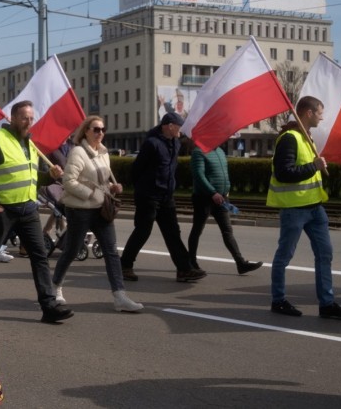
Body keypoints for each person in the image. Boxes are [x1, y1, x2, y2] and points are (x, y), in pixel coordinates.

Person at [0, 100, 74, 324]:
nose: (29, 122)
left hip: (28, 209)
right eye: (24, 118)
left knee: (40, 257)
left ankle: (49, 307)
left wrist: (51, 176)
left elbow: (29, 177)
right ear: (13, 118)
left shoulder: (30, 142)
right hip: (3, 211)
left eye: (31, 118)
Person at [268, 96, 341, 319]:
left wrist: (314, 166)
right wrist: (313, 166)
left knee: (325, 254)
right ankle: (278, 301)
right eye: (319, 112)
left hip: (315, 207)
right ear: (308, 113)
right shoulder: (290, 138)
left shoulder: (307, 138)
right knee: (284, 256)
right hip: (295, 209)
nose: (322, 117)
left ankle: (327, 304)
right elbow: (283, 173)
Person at [52, 116, 144, 313]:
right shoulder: (77, 152)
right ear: (86, 131)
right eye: (96, 129)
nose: (100, 133)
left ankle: (120, 296)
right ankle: (55, 288)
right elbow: (69, 182)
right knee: (72, 251)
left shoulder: (103, 153)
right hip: (79, 210)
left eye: (103, 129)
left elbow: (100, 182)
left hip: (101, 210)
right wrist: (92, 195)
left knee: (111, 252)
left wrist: (112, 187)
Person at [119, 112, 206, 283]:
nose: (181, 130)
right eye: (179, 126)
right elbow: (136, 170)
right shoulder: (152, 143)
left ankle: (184, 270)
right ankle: (124, 266)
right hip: (149, 196)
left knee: (173, 232)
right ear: (170, 126)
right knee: (143, 231)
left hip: (166, 197)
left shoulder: (175, 143)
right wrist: (144, 189)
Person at [187, 145, 262, 275]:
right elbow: (198, 175)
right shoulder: (198, 151)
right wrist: (212, 193)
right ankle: (191, 263)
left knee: (227, 231)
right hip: (203, 198)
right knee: (197, 230)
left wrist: (226, 190)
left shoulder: (220, 151)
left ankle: (241, 263)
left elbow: (223, 172)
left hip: (221, 199)